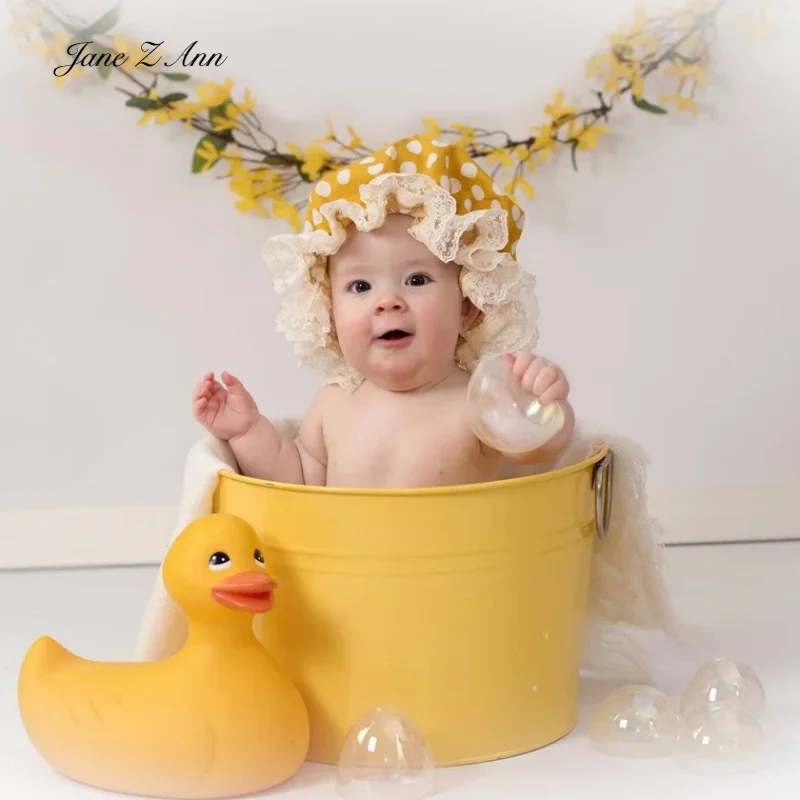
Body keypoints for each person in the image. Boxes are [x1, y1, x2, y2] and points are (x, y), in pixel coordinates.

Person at [192, 136, 574, 488]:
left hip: (453, 562)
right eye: (361, 287)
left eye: (417, 279)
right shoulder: (334, 404)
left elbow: (539, 452)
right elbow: (299, 481)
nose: (388, 301)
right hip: (352, 563)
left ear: (468, 308)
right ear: (330, 315)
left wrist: (542, 403)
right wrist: (246, 433)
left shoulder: (478, 401)